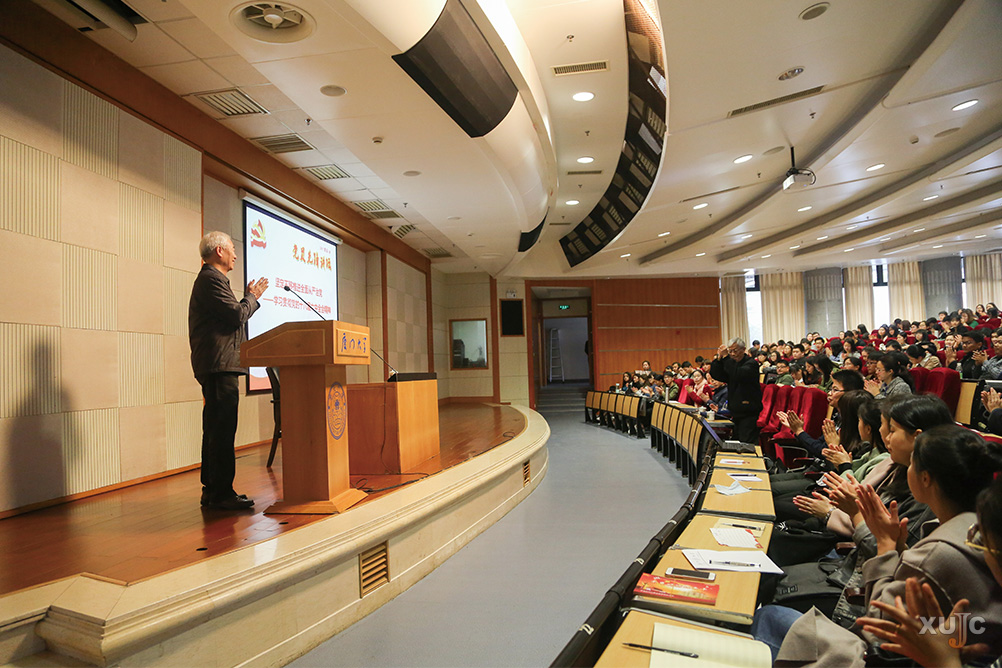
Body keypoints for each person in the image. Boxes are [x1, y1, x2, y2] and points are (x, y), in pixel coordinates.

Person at [189, 231, 269, 510]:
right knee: (221, 431)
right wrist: (252, 297)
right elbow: (236, 315)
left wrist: (247, 299)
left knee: (216, 429)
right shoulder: (210, 279)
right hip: (218, 365)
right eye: (232, 248)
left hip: (218, 364)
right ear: (219, 251)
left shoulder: (213, 279)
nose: (236, 254)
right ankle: (220, 494)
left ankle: (214, 491)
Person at [710, 337, 762, 443]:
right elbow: (718, 375)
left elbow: (737, 374)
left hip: (748, 412)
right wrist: (719, 359)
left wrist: (726, 358)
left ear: (743, 349)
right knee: (736, 443)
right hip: (735, 411)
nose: (732, 354)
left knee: (746, 444)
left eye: (735, 351)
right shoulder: (732, 364)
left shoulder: (751, 363)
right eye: (730, 351)